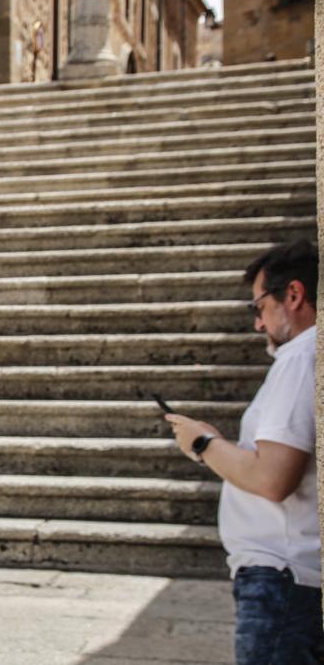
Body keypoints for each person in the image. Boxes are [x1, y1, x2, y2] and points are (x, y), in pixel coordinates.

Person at [163, 240, 319, 665]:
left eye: (259, 307)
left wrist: (202, 444)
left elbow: (273, 479)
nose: (258, 324)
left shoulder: (300, 358)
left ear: (293, 295)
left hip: (282, 575)